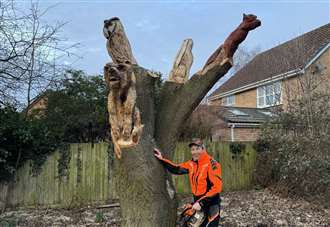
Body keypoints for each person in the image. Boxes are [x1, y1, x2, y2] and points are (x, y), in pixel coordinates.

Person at [153, 138, 222, 227]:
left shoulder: (213, 164)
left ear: (203, 148)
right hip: (197, 203)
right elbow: (176, 169)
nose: (195, 152)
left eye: (197, 149)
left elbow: (217, 187)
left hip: (211, 204)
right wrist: (162, 159)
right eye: (193, 149)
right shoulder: (191, 164)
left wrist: (201, 203)